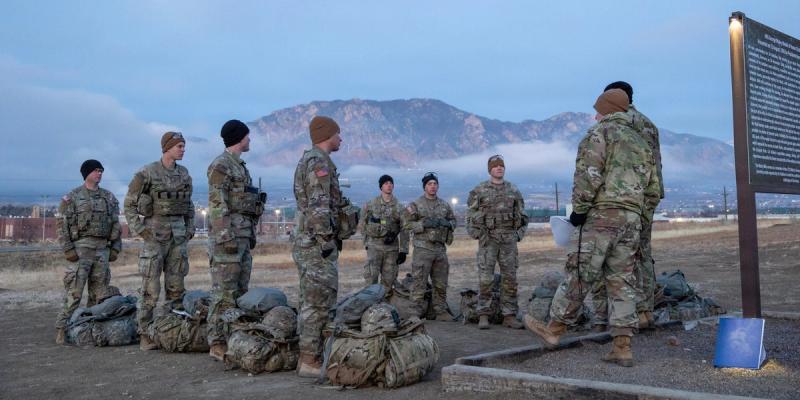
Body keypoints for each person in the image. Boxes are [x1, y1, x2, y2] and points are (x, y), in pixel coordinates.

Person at [524, 89, 660, 367]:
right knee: (623, 281)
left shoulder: (599, 134)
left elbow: (588, 177)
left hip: (601, 218)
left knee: (580, 273)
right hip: (631, 220)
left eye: (598, 109)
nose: (595, 114)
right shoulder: (642, 142)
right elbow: (653, 189)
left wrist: (579, 214)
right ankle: (622, 346)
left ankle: (555, 329)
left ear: (608, 109)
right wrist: (639, 216)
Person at [590, 81, 664, 332]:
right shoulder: (648, 125)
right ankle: (644, 312)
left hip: (615, 201)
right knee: (642, 254)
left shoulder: (613, 125)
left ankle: (610, 317)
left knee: (613, 258)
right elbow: (655, 167)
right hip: (645, 198)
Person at [123, 132, 195, 350]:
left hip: (178, 238)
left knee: (176, 287)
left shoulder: (184, 174)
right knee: (150, 288)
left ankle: (171, 331)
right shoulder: (147, 172)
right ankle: (145, 332)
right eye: (179, 146)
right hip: (155, 237)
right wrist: (141, 231)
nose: (183, 150)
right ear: (168, 148)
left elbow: (189, 205)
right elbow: (129, 204)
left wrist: (190, 228)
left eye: (184, 146)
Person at [206, 119, 266, 360]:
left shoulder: (240, 166)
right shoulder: (221, 166)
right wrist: (225, 235)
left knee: (240, 291)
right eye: (247, 136)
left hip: (242, 236)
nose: (249, 140)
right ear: (239, 138)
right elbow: (217, 203)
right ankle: (217, 341)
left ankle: (234, 337)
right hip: (228, 240)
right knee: (223, 292)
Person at [292, 115, 347, 377]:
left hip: (311, 241)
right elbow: (318, 205)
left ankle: (312, 355)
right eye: (338, 134)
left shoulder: (314, 160)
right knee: (317, 302)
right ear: (326, 135)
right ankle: (309, 361)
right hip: (316, 244)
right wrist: (326, 240)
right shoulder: (317, 162)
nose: (341, 138)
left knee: (314, 299)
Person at [54, 160, 122, 344]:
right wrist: (68, 248)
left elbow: (116, 224)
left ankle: (89, 329)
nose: (99, 174)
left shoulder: (109, 197)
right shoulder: (73, 197)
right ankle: (62, 327)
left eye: (101, 171)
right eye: (95, 171)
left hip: (102, 249)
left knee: (99, 294)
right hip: (81, 248)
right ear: (86, 174)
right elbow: (62, 225)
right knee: (74, 293)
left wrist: (115, 247)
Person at [466, 155, 528, 329]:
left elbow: (523, 216)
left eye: (501, 166)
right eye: (495, 166)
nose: (499, 168)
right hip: (489, 240)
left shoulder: (513, 190)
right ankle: (483, 314)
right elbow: (470, 215)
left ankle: (509, 315)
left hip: (508, 240)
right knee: (486, 278)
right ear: (489, 170)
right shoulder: (480, 190)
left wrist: (518, 235)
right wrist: (476, 234)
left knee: (510, 278)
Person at [402, 172, 456, 321]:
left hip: (439, 250)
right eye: (429, 184)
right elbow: (406, 224)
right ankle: (415, 313)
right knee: (419, 282)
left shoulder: (444, 205)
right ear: (424, 187)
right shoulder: (416, 205)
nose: (433, 187)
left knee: (440, 283)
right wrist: (422, 224)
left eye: (435, 184)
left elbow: (453, 221)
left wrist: (449, 224)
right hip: (422, 250)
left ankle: (440, 311)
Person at [360, 174, 409, 298]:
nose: (389, 185)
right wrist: (366, 243)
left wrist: (403, 251)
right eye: (386, 183)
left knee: (389, 280)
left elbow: (405, 229)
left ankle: (384, 311)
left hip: (391, 249)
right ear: (381, 186)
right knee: (371, 278)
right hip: (374, 247)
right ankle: (369, 310)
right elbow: (363, 224)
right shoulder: (371, 204)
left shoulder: (399, 207)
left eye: (391, 183)